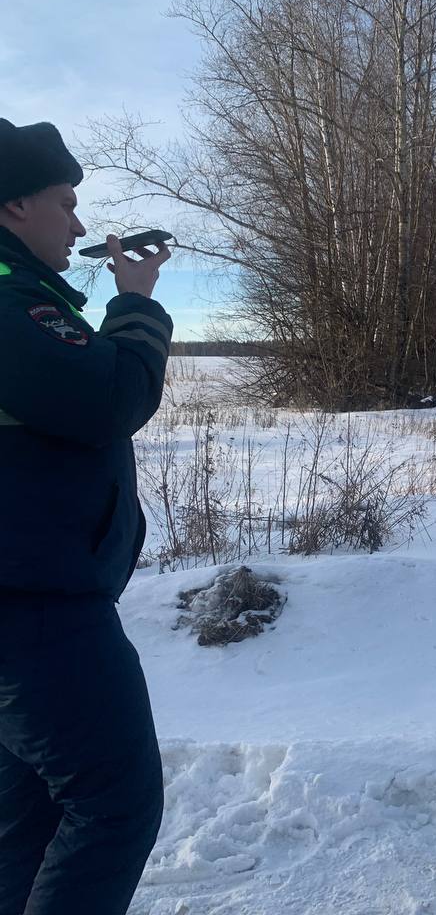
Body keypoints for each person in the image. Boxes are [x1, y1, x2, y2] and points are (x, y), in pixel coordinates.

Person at [0, 118, 174, 915]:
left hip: (28, 606)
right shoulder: (11, 308)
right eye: (64, 203)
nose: (77, 225)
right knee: (114, 807)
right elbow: (108, 397)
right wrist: (136, 306)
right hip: (38, 616)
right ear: (12, 208)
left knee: (29, 818)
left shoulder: (24, 302)